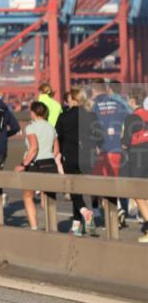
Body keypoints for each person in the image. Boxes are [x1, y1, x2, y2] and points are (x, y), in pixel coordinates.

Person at [57, 89, 101, 236]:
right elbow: (100, 136)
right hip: (88, 157)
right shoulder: (91, 116)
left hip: (70, 156)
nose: (67, 101)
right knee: (79, 191)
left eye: (69, 98)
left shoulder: (64, 116)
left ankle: (84, 212)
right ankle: (76, 227)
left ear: (74, 100)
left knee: (74, 189)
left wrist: (59, 153)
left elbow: (58, 137)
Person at [91, 83, 132, 228]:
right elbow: (130, 121)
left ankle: (111, 211)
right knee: (114, 181)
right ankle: (120, 208)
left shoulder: (95, 106)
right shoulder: (121, 104)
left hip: (102, 149)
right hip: (118, 148)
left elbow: (92, 128)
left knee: (99, 184)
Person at [15, 102, 59, 230]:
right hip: (50, 164)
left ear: (33, 113)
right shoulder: (51, 127)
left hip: (35, 165)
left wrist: (23, 164)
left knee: (28, 196)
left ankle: (34, 228)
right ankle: (52, 227)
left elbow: (34, 148)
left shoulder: (31, 128)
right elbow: (56, 151)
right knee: (48, 197)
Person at [120, 91, 148, 243]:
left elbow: (125, 142)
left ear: (132, 101)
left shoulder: (131, 118)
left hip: (138, 157)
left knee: (138, 194)